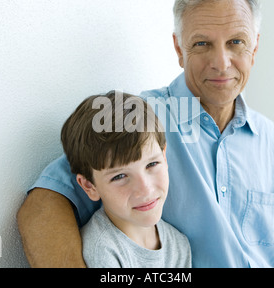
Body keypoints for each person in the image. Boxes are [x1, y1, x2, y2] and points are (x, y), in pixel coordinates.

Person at [17, 0, 274, 268]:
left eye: (236, 42)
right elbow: (46, 201)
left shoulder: (271, 140)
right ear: (179, 49)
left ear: (254, 47)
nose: (221, 63)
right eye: (202, 44)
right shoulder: (141, 120)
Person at [60, 91, 191, 267]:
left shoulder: (179, 245)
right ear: (90, 186)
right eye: (120, 176)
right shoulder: (102, 250)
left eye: (151, 164)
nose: (145, 189)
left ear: (164, 157)